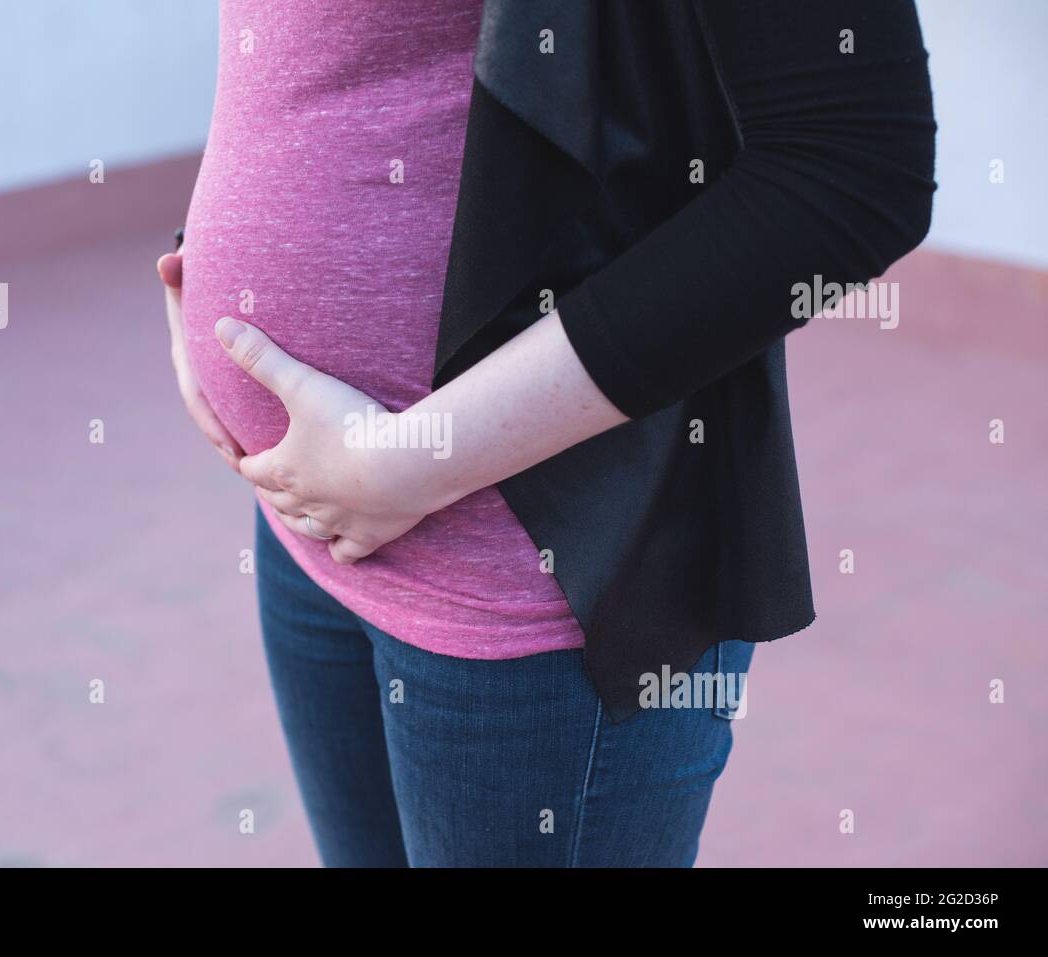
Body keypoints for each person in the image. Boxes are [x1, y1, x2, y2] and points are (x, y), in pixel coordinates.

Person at [155, 0, 936, 866]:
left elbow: (851, 170)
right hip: (305, 527)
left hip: (534, 580)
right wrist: (207, 261)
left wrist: (414, 464)